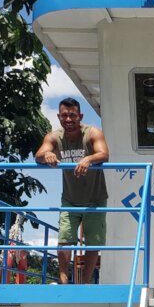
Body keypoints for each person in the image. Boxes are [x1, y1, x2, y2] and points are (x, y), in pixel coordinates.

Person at [35, 97, 110, 283]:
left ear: (80, 116)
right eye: (65, 116)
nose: (69, 120)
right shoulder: (54, 137)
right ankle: (63, 280)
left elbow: (104, 154)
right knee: (65, 239)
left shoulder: (92, 133)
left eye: (73, 116)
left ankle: (84, 282)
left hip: (96, 198)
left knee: (93, 243)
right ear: (59, 117)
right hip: (70, 199)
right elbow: (38, 155)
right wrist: (47, 155)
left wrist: (88, 159)